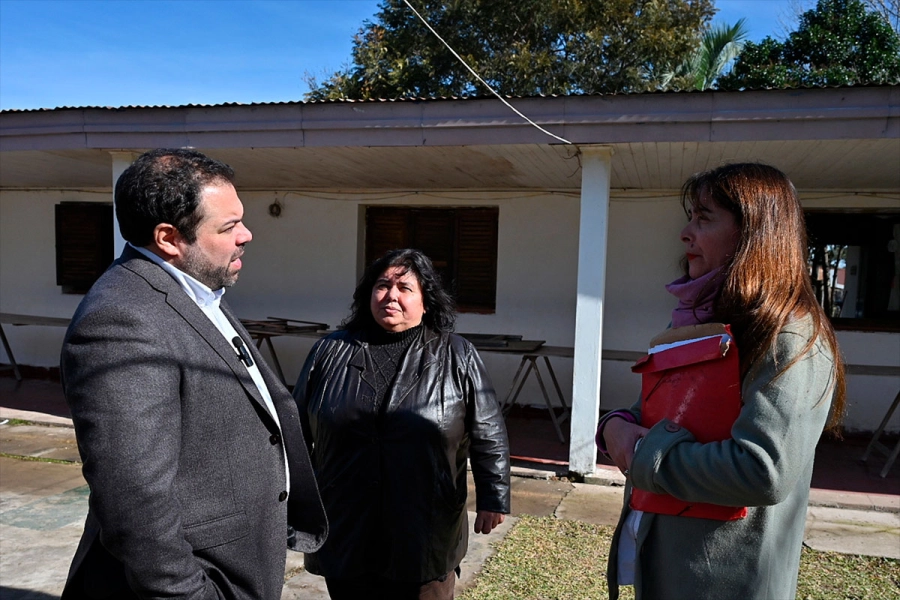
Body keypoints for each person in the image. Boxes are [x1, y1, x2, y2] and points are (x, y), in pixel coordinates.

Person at [60, 148, 327, 599]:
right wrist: (188, 593)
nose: (246, 235)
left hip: (237, 562)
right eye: (228, 226)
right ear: (168, 238)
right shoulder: (122, 321)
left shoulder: (195, 292)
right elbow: (134, 499)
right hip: (199, 580)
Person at [596, 163, 846, 600]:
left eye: (704, 218)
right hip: (670, 565)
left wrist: (641, 453)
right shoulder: (701, 321)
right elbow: (655, 411)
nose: (685, 234)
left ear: (752, 234)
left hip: (722, 582)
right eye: (690, 217)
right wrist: (614, 424)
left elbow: (762, 469)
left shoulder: (789, 335)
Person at [293, 248, 511, 600]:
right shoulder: (329, 352)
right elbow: (295, 431)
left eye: (405, 288)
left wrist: (494, 496)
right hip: (346, 519)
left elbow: (489, 432)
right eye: (382, 286)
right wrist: (293, 498)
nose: (391, 295)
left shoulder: (457, 354)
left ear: (426, 301)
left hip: (424, 523)